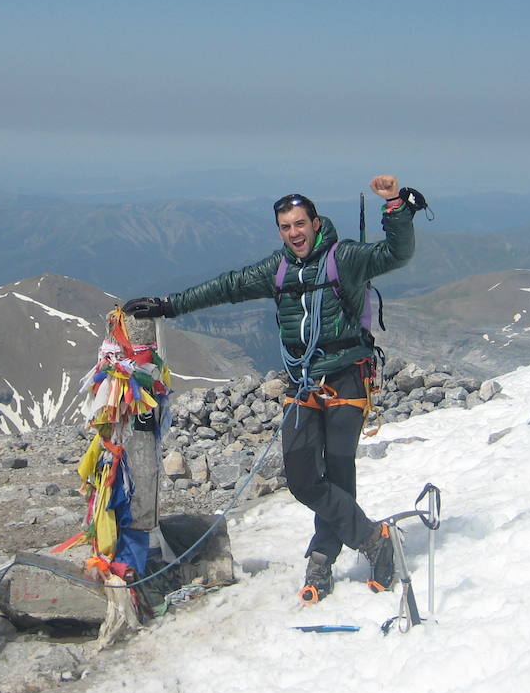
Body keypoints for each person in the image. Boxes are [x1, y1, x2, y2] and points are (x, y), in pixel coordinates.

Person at [123, 176, 424, 602]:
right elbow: (226, 286)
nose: (294, 233)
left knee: (339, 473)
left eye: (300, 224)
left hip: (346, 378)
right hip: (302, 381)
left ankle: (321, 558)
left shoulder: (347, 258)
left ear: (316, 223)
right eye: (285, 227)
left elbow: (397, 253)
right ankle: (374, 538)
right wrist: (168, 305)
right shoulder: (277, 269)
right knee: (303, 479)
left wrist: (396, 206)